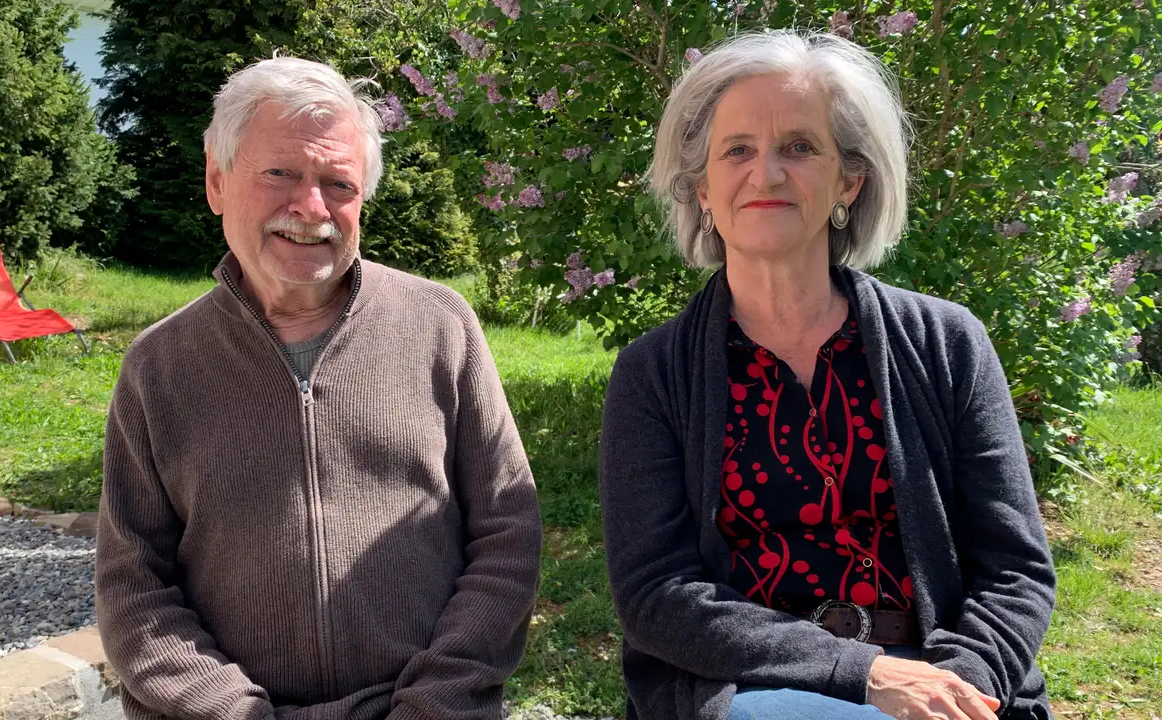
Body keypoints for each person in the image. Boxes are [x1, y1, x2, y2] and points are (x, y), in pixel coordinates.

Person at [599, 30, 1056, 720]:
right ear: (702, 189)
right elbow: (657, 595)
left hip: (942, 676)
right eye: (738, 150)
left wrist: (960, 686)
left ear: (850, 180)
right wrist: (862, 674)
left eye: (800, 147)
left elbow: (1015, 567)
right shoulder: (652, 375)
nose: (767, 175)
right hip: (750, 687)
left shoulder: (948, 342)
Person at [95, 57, 542, 720]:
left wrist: (435, 702)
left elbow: (508, 531)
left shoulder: (439, 325)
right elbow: (134, 588)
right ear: (217, 181)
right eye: (280, 173)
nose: (311, 208)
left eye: (339, 183)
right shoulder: (159, 366)